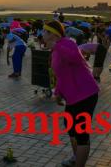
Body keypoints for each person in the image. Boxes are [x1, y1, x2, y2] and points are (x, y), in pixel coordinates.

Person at [42, 21, 100, 167]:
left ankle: (79, 163)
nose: (42, 34)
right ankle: (76, 157)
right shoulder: (55, 51)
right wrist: (58, 93)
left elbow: (73, 57)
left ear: (54, 34)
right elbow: (61, 74)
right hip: (73, 97)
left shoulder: (67, 43)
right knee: (70, 127)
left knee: (81, 133)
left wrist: (56, 46)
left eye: (45, 32)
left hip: (86, 94)